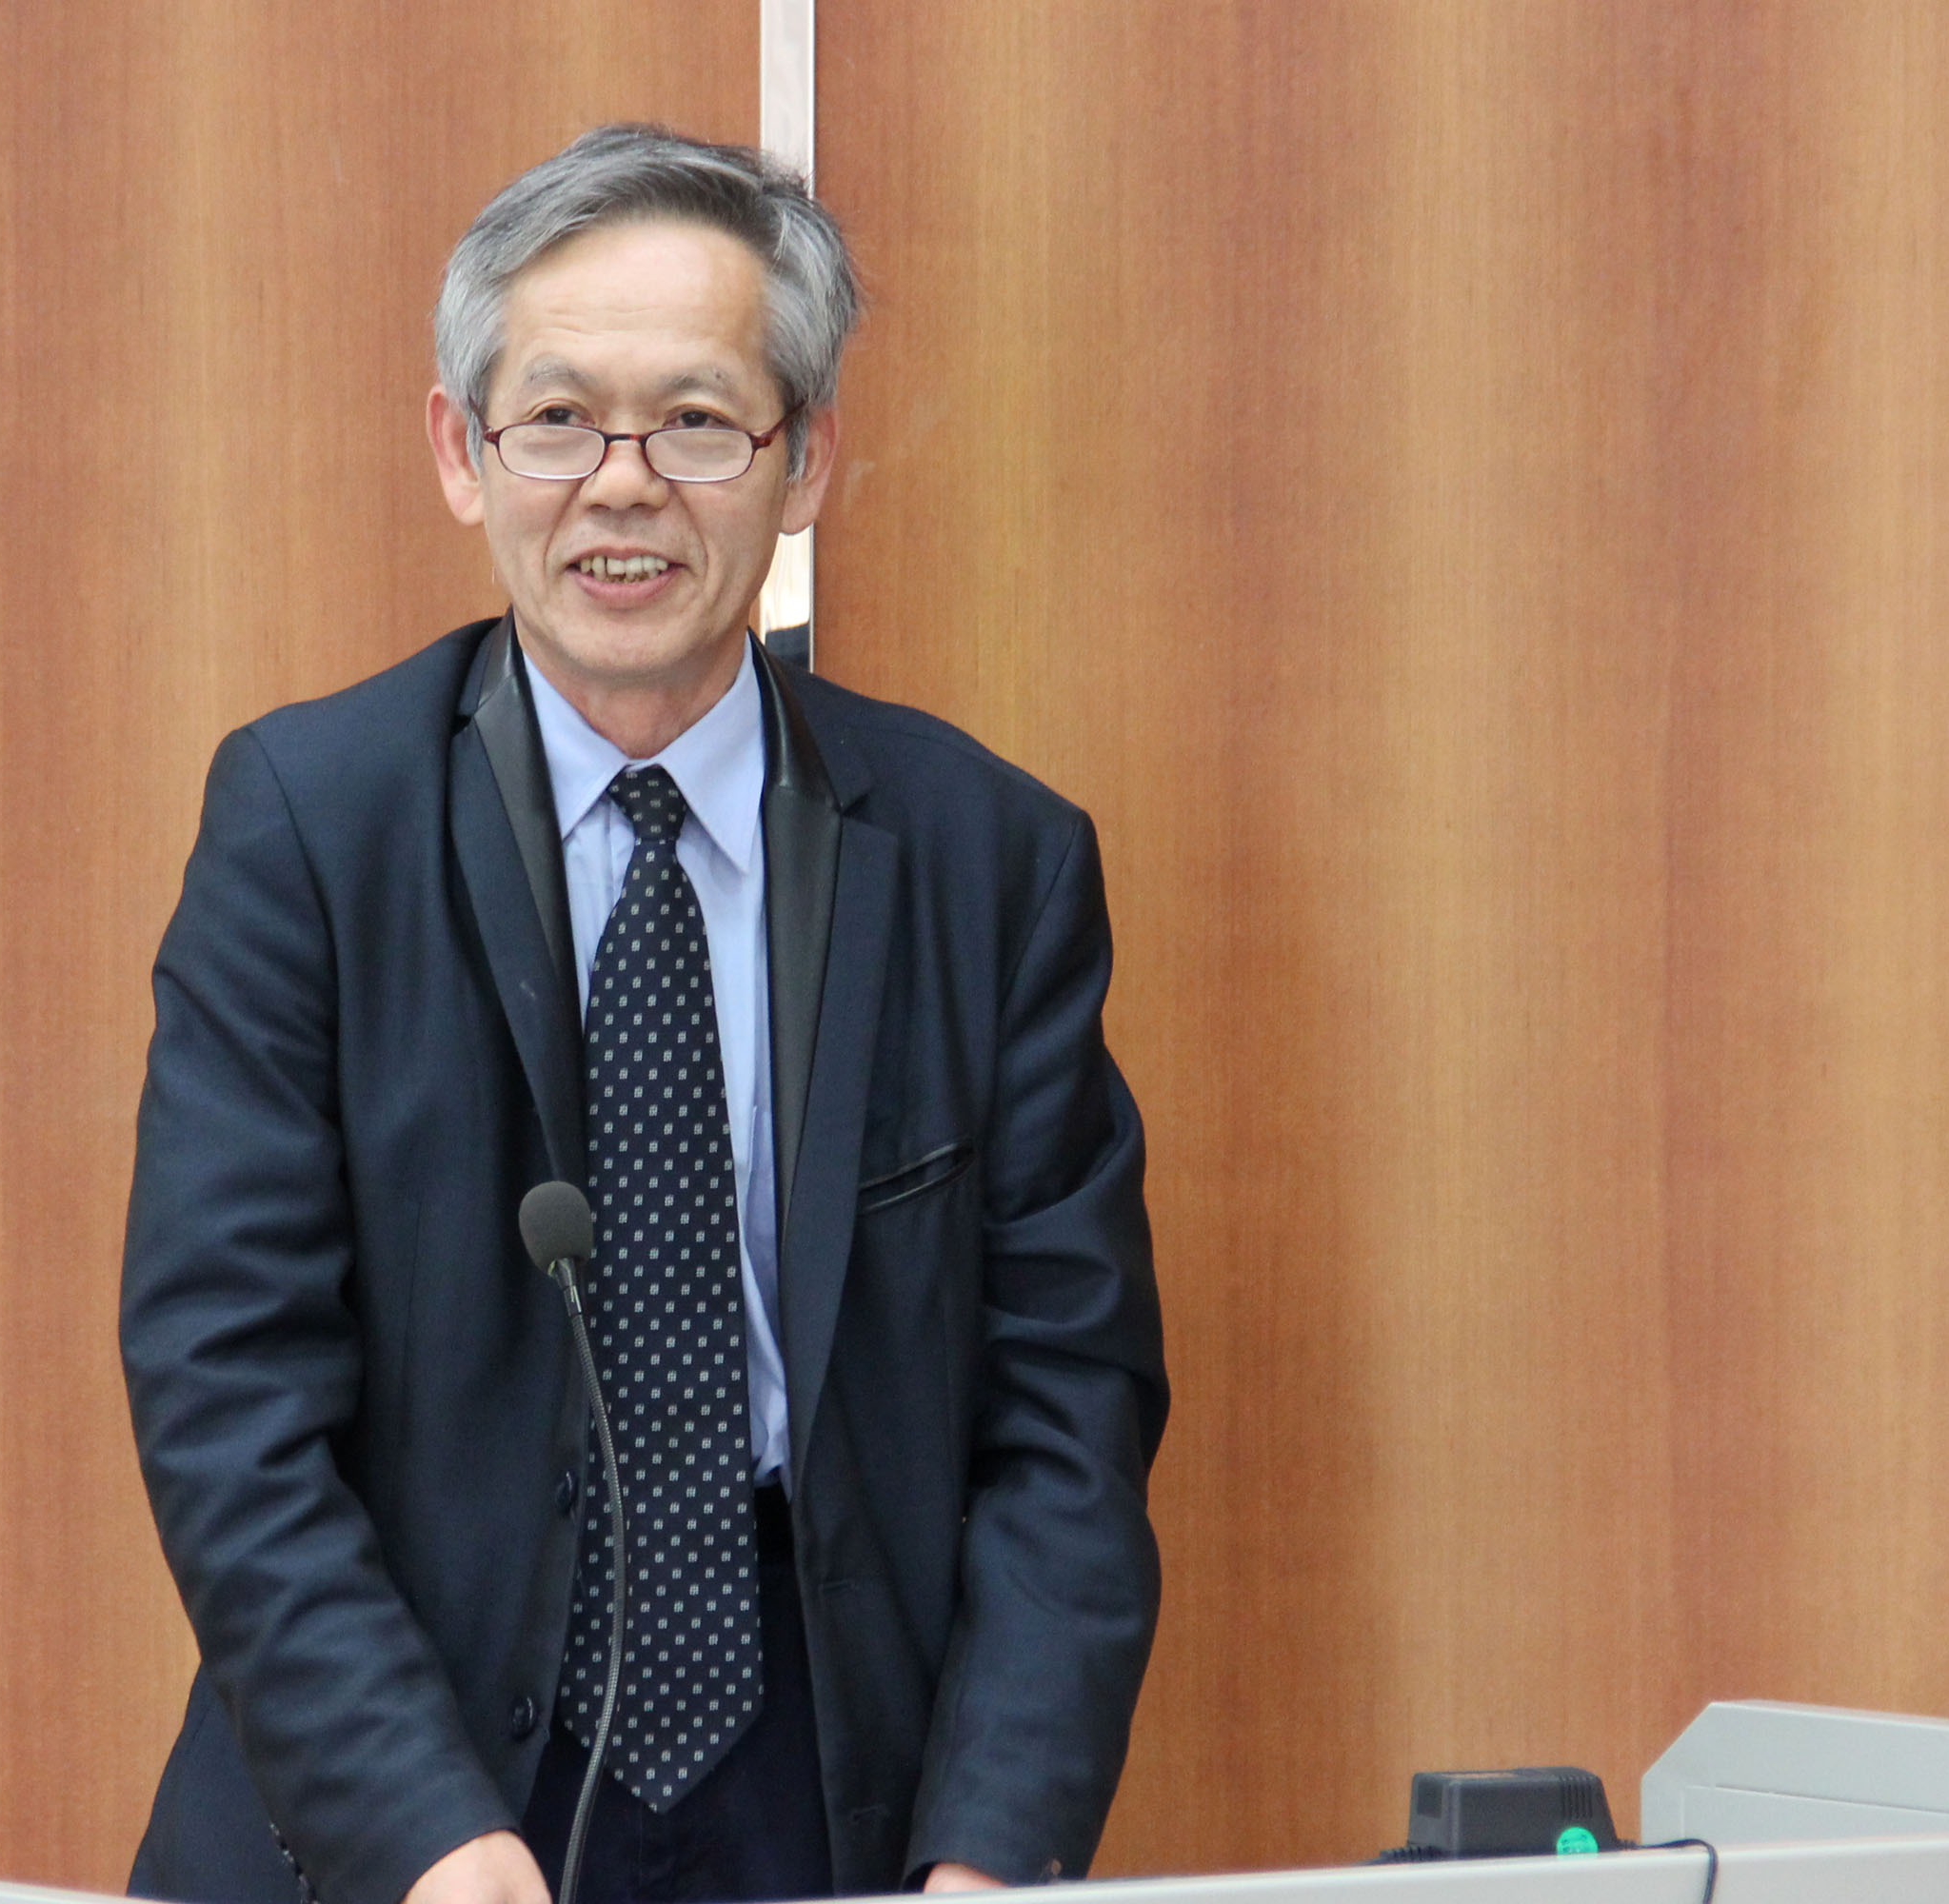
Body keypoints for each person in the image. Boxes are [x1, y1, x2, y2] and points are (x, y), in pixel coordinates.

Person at [120, 125, 1166, 1904]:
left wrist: (992, 1850)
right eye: (556, 420)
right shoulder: (308, 829)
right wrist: (423, 1837)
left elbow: (1070, 1415)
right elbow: (226, 1392)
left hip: (829, 1782)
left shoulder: (988, 862)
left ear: (804, 459)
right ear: (460, 453)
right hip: (408, 1771)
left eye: (695, 421)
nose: (622, 486)